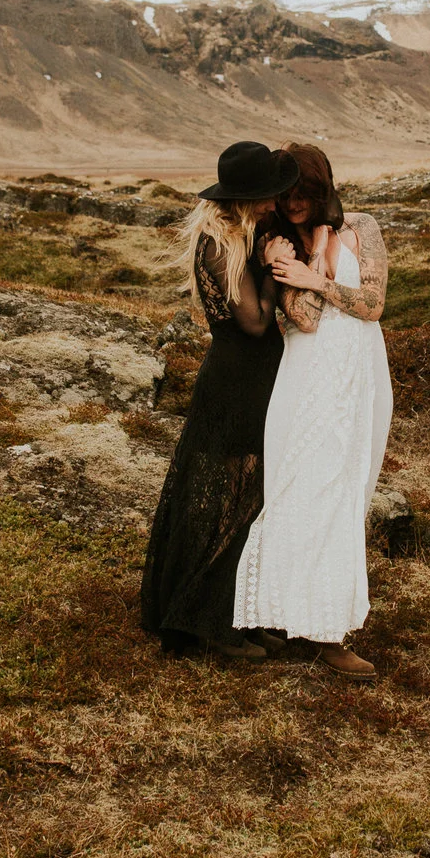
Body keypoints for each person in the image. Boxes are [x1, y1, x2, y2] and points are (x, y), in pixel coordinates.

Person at [235, 142, 393, 680]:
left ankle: (321, 620)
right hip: (306, 378)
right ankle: (298, 620)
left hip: (359, 374)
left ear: (322, 188)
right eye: (286, 194)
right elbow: (304, 319)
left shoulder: (362, 228)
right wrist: (299, 265)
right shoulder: (278, 242)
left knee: (346, 491)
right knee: (297, 487)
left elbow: (373, 305)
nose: (295, 203)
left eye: (304, 193)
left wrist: (319, 277)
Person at [139, 140, 301, 658]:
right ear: (244, 197)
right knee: (224, 499)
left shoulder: (240, 235)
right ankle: (202, 617)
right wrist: (276, 271)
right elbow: (253, 322)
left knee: (248, 497)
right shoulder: (218, 244)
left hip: (253, 375)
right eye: (266, 196)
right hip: (236, 379)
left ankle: (234, 611)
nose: (274, 204)